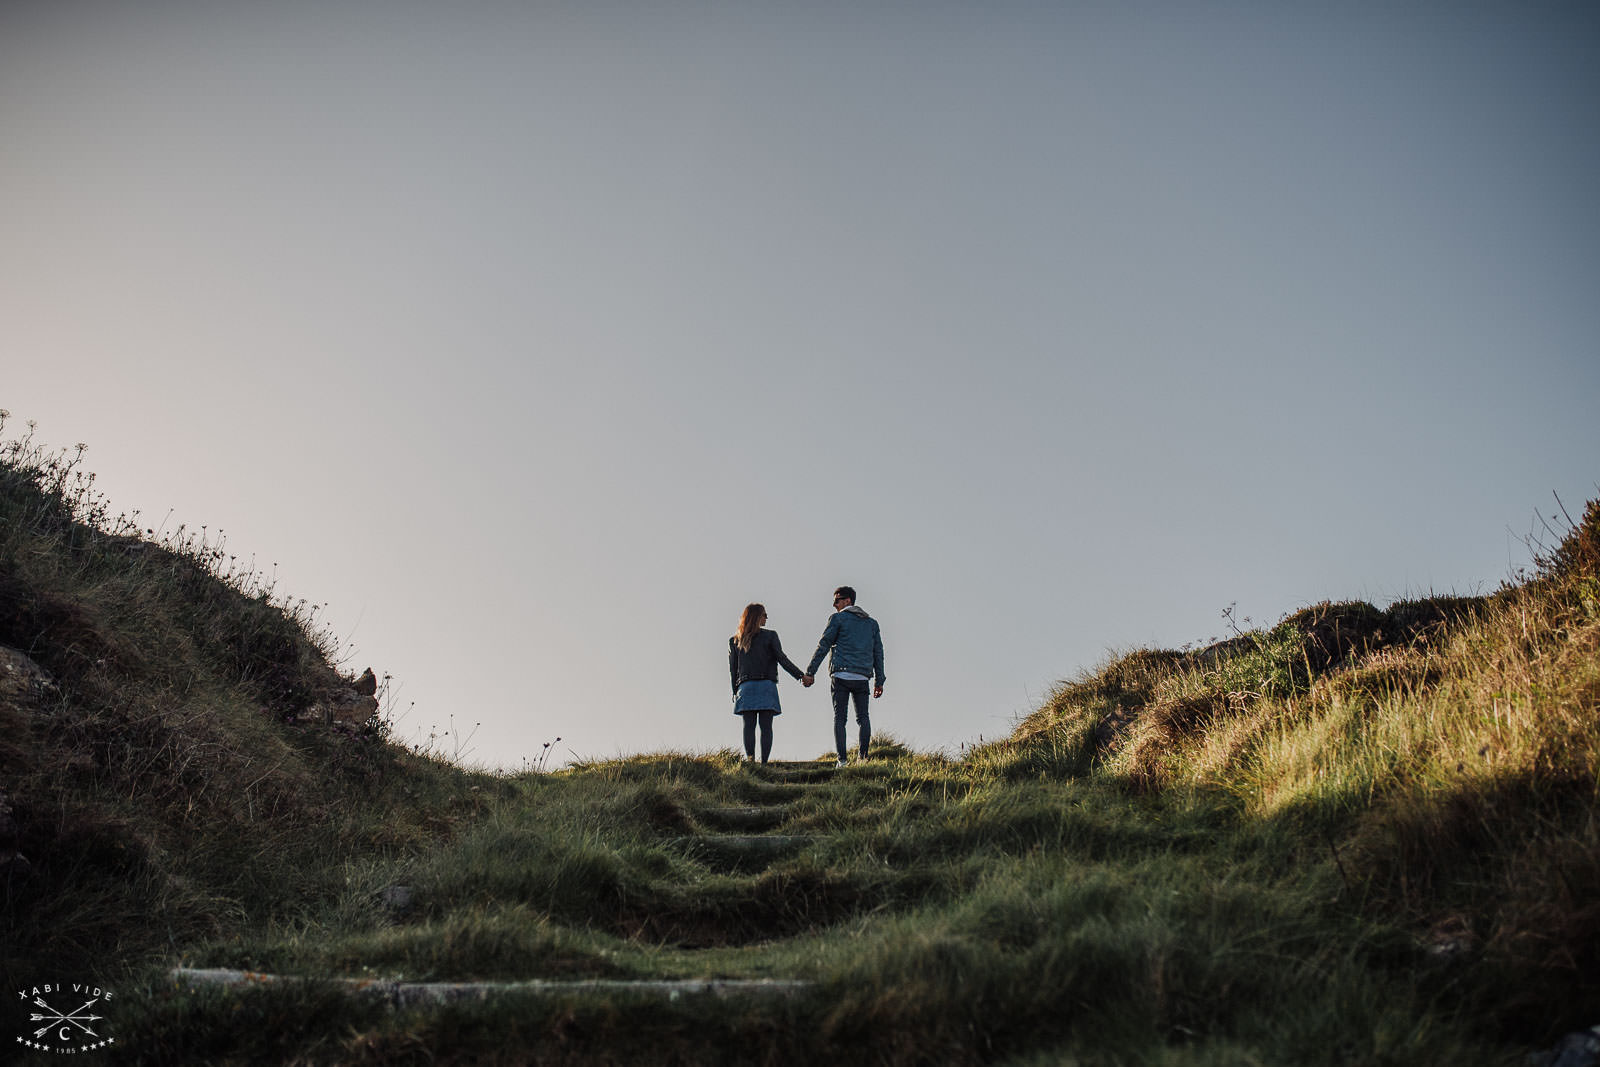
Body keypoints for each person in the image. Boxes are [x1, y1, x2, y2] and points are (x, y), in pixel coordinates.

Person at [802, 586, 885, 767]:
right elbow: (878, 652)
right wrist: (880, 681)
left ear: (848, 601)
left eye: (837, 600)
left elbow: (824, 645)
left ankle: (842, 760)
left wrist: (810, 672)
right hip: (862, 677)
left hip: (840, 674)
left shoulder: (838, 619)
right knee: (863, 717)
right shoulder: (872, 624)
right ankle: (862, 758)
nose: (834, 604)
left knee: (840, 718)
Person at [728, 603, 804, 764]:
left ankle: (750, 761)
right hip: (766, 686)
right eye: (764, 615)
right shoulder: (770, 636)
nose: (766, 618)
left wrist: (735, 690)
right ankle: (763, 763)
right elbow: (782, 659)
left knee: (748, 726)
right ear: (756, 617)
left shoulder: (735, 640)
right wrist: (800, 676)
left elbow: (733, 669)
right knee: (766, 727)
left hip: (745, 687)